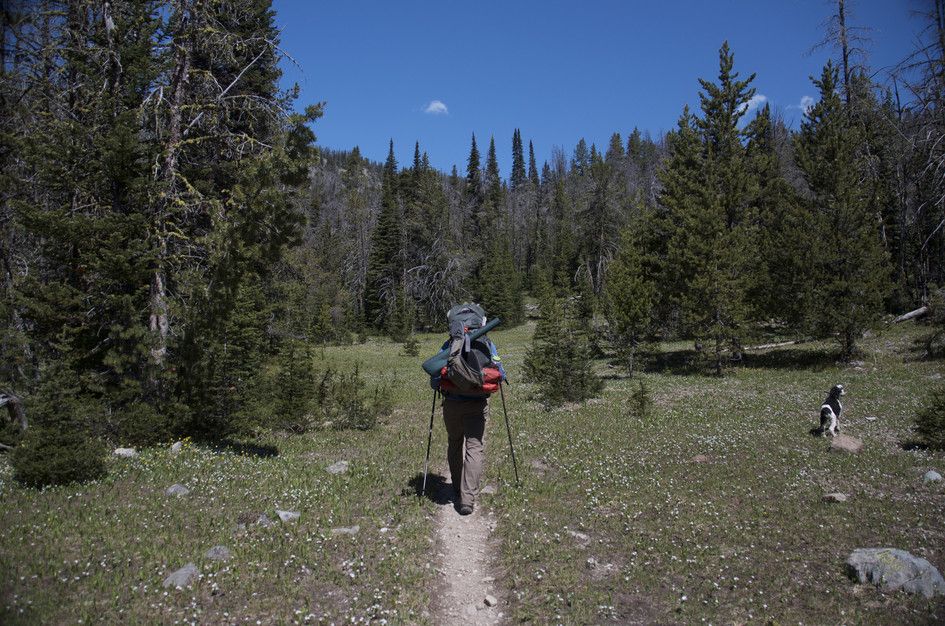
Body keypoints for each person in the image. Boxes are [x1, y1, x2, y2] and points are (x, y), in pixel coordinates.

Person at [429, 303, 505, 515]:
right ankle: (467, 498)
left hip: (452, 403)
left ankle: (456, 488)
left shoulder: (449, 344)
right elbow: (501, 373)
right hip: (477, 403)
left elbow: (435, 379)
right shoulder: (487, 344)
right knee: (474, 446)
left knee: (455, 442)